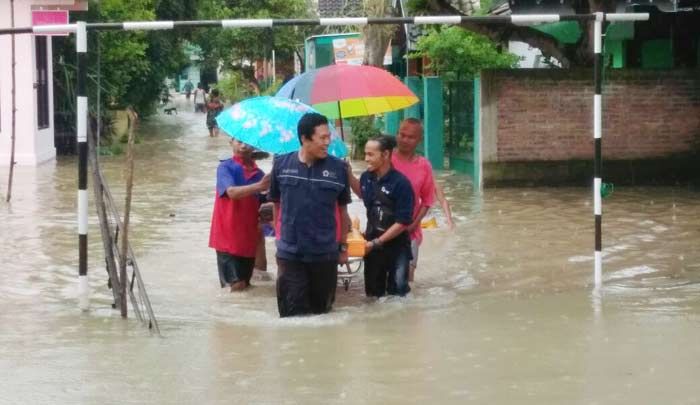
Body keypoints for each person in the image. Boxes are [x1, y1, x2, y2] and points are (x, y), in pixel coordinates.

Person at [269, 113, 351, 317]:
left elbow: (342, 211)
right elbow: (276, 204)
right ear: (305, 139)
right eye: (322, 138)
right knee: (292, 318)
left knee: (322, 317)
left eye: (328, 137)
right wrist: (279, 240)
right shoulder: (281, 165)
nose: (327, 142)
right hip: (290, 254)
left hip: (325, 254)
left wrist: (342, 247)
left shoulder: (339, 168)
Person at [347, 135, 414, 297]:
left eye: (371, 154)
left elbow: (403, 222)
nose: (366, 159)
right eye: (365, 154)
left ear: (385, 155)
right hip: (371, 245)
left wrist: (378, 242)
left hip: (397, 247)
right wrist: (348, 175)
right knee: (373, 294)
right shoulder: (366, 177)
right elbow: (363, 194)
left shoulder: (401, 183)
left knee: (398, 294)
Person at [209, 138, 270, 291]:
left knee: (245, 287)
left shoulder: (260, 175)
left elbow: (264, 207)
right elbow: (231, 192)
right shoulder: (225, 167)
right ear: (230, 142)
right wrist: (259, 186)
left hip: (247, 240)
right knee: (236, 286)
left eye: (247, 142)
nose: (243, 145)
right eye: (239, 141)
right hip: (227, 238)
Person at [391, 118, 435, 282]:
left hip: (411, 232)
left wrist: (413, 225)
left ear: (419, 140)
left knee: (406, 280)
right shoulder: (385, 160)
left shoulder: (424, 166)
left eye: (410, 137)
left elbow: (427, 200)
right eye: (401, 135)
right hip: (385, 229)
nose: (404, 140)